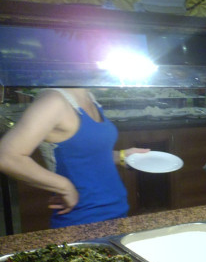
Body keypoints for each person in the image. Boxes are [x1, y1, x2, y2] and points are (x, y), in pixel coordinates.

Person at [0, 88, 148, 228]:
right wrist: (64, 187)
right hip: (83, 222)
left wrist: (122, 156)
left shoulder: (89, 97)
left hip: (116, 213)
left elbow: (87, 152)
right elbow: (7, 157)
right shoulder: (54, 101)